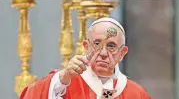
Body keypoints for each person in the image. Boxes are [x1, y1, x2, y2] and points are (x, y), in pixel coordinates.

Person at [20, 17, 151, 99]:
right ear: (86, 46)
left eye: (111, 46)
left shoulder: (137, 94)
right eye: (97, 43)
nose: (103, 53)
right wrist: (63, 76)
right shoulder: (63, 85)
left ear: (122, 52)